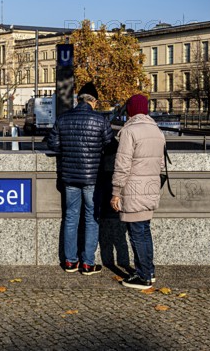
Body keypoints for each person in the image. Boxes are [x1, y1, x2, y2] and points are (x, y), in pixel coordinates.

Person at [47, 82, 113, 275]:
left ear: (78, 100)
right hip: (92, 178)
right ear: (94, 102)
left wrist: (67, 150)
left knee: (70, 218)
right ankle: (88, 263)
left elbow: (52, 144)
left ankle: (70, 261)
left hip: (69, 177)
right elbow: (110, 146)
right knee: (92, 219)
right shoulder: (100, 120)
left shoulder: (63, 118)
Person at [110, 94, 165, 290]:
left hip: (133, 190)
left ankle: (142, 276)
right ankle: (148, 272)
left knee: (136, 234)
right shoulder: (157, 130)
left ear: (130, 110)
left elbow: (122, 165)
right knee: (144, 231)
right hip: (150, 189)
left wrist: (116, 191)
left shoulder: (130, 131)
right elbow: (161, 164)